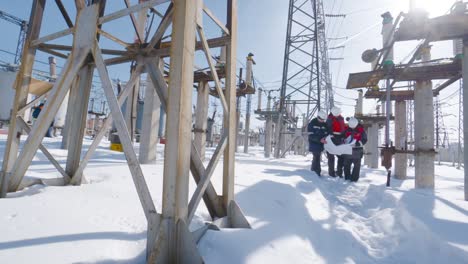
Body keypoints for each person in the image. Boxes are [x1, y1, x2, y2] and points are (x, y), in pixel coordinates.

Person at [343, 117, 367, 182]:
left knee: (356, 166)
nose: (353, 128)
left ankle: (354, 179)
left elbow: (364, 139)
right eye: (351, 127)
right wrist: (343, 141)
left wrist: (358, 143)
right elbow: (342, 137)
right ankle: (347, 177)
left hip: (357, 151)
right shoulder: (346, 129)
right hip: (348, 150)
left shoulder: (361, 130)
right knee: (346, 165)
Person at [307, 110, 329, 176]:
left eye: (323, 119)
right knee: (316, 156)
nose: (322, 120)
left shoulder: (324, 124)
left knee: (317, 157)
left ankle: (315, 173)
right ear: (318, 117)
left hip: (322, 144)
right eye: (321, 119)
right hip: (314, 144)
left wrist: (325, 138)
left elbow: (327, 133)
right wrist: (319, 139)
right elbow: (311, 136)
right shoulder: (312, 124)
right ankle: (316, 172)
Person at [326, 106, 345, 177]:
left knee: (341, 156)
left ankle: (339, 172)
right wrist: (330, 135)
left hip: (339, 139)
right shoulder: (329, 119)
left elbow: (343, 128)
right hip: (331, 138)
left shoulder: (341, 118)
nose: (337, 115)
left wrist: (343, 136)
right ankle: (331, 173)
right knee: (331, 157)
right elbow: (327, 128)